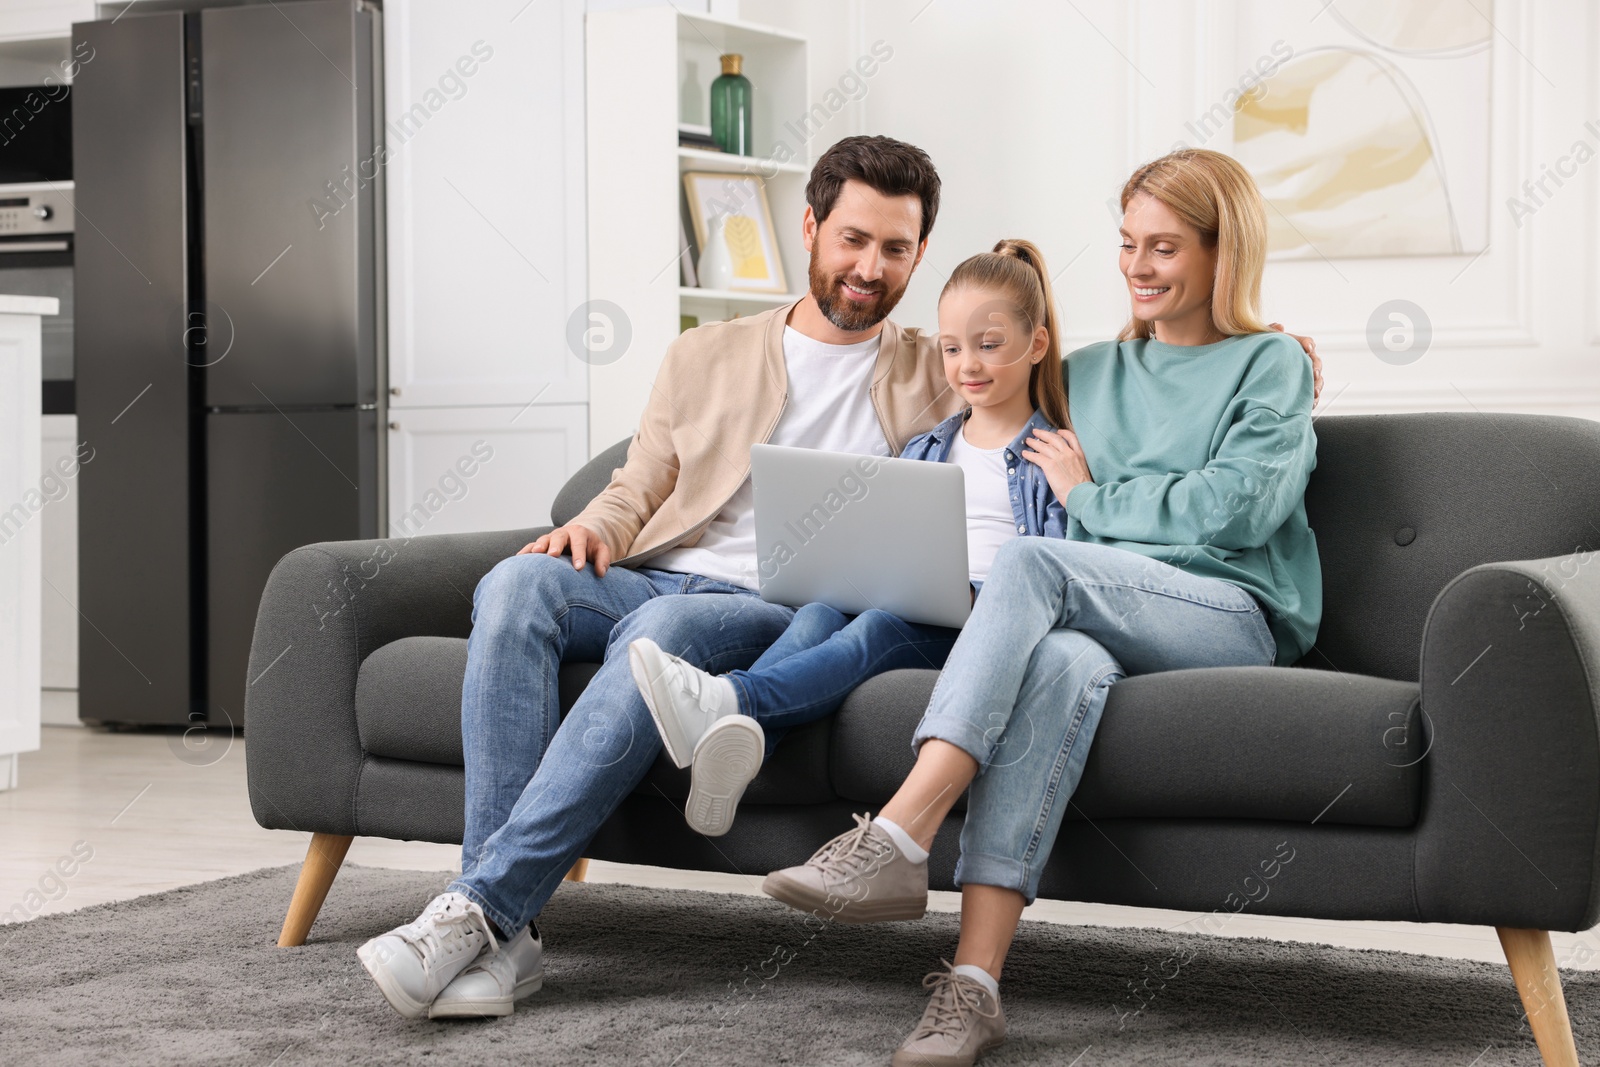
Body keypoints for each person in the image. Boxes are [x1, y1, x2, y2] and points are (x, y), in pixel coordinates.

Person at [354, 135, 1321, 1025]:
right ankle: (500, 921)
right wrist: (590, 530)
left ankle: (499, 908)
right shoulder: (707, 353)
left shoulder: (938, 363)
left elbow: (1018, 360)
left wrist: (1278, 358)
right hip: (676, 574)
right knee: (514, 587)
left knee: (699, 640)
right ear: (809, 227)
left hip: (784, 606)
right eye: (855, 239)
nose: (870, 268)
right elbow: (637, 481)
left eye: (896, 250)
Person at [761, 148, 1323, 1067]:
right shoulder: (1090, 372)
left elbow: (1239, 507)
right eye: (1129, 244)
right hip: (1104, 610)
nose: (1139, 266)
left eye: (1165, 247)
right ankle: (973, 986)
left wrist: (1096, 500)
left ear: (1227, 254)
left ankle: (900, 830)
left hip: (1228, 610)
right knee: (1059, 662)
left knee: (1035, 563)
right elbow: (977, 356)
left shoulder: (1271, 364)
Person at [626, 238, 1083, 839]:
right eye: (952, 348)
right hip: (916, 596)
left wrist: (1070, 497)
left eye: (989, 346)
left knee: (873, 630)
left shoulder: (1054, 453)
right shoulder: (928, 445)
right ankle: (730, 746)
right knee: (818, 611)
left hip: (985, 618)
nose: (968, 365)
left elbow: (1064, 571)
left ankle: (727, 703)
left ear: (1037, 345)